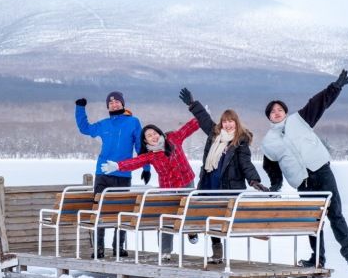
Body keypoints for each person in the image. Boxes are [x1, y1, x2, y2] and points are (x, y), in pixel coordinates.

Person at [260, 70, 348, 268]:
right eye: (273, 111)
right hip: (304, 183)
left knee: (335, 213)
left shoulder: (300, 120)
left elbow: (320, 102)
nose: (277, 112)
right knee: (313, 221)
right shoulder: (268, 142)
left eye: (280, 109)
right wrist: (275, 186)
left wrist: (335, 87)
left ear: (285, 112)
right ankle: (317, 259)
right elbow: (272, 168)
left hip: (322, 172)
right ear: (269, 117)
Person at [179, 87, 269, 263]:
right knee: (208, 215)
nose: (227, 124)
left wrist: (254, 180)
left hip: (228, 186)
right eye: (225, 121)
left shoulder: (240, 142)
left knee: (221, 217)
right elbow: (204, 120)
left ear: (236, 123)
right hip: (209, 183)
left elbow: (246, 164)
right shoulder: (215, 135)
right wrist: (192, 104)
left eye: (231, 121)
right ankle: (216, 251)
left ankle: (254, 231)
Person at [100, 116, 199, 262]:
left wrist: (199, 116)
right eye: (149, 136)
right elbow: (135, 162)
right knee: (166, 218)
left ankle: (191, 231)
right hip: (168, 188)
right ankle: (165, 251)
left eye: (154, 133)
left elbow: (188, 128)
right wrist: (118, 166)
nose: (153, 137)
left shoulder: (173, 138)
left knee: (190, 209)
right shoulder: (150, 155)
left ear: (159, 133)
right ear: (145, 141)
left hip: (186, 182)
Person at [75, 91, 149, 258]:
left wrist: (146, 168)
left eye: (117, 102)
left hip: (123, 175)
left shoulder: (133, 122)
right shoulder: (104, 124)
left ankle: (118, 247)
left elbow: (140, 147)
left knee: (121, 212)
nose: (114, 104)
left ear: (123, 104)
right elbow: (85, 128)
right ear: (108, 106)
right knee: (100, 210)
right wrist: (80, 108)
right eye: (111, 102)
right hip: (102, 173)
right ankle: (99, 248)